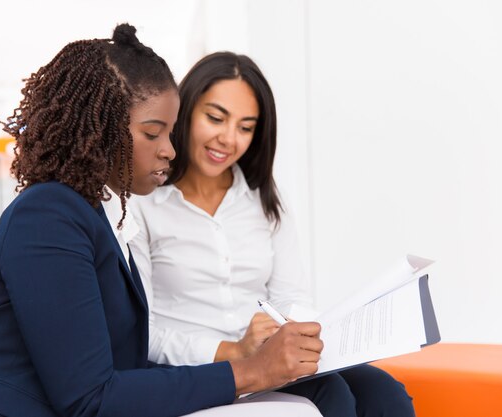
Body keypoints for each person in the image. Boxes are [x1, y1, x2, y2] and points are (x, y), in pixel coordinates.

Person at [0, 25, 327, 417]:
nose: (170, 151)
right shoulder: (46, 216)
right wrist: (248, 374)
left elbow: (120, 373)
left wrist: (248, 377)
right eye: (153, 133)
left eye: (170, 133)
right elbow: (90, 397)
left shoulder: (98, 215)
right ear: (100, 129)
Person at [128, 51, 416, 417]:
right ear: (183, 113)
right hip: (198, 366)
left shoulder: (263, 197)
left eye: (246, 127)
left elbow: (290, 295)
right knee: (332, 397)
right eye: (216, 118)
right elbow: (142, 331)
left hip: (269, 354)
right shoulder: (144, 203)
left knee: (385, 394)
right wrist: (231, 350)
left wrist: (299, 329)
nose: (228, 139)